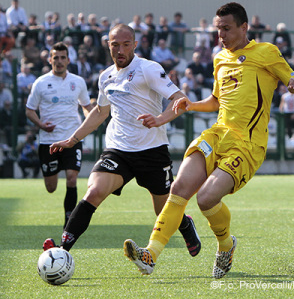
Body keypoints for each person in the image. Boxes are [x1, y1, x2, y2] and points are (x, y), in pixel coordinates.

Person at [123, 2, 294, 279]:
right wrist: (190, 105)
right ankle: (150, 255)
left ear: (244, 27)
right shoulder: (219, 59)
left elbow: (293, 81)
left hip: (248, 145)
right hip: (217, 135)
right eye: (218, 30)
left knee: (206, 199)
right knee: (179, 187)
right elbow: (217, 101)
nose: (222, 36)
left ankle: (226, 245)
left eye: (227, 29)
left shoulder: (267, 53)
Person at [44, 24, 201, 257]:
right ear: (108, 46)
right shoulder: (105, 76)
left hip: (152, 150)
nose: (120, 50)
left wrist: (160, 119)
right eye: (115, 45)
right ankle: (61, 250)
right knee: (94, 191)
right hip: (118, 149)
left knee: (163, 210)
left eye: (126, 44)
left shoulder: (148, 69)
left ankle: (186, 225)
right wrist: (72, 139)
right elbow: (99, 112)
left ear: (135, 45)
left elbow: (181, 100)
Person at [26, 42, 93, 228]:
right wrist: (40, 124)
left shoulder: (78, 82)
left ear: (68, 60)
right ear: (50, 59)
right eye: (56, 57)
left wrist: (89, 120)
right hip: (49, 141)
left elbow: (87, 107)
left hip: (72, 139)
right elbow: (29, 110)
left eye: (63, 57)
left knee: (72, 178)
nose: (59, 61)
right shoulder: (41, 83)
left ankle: (68, 225)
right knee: (51, 187)